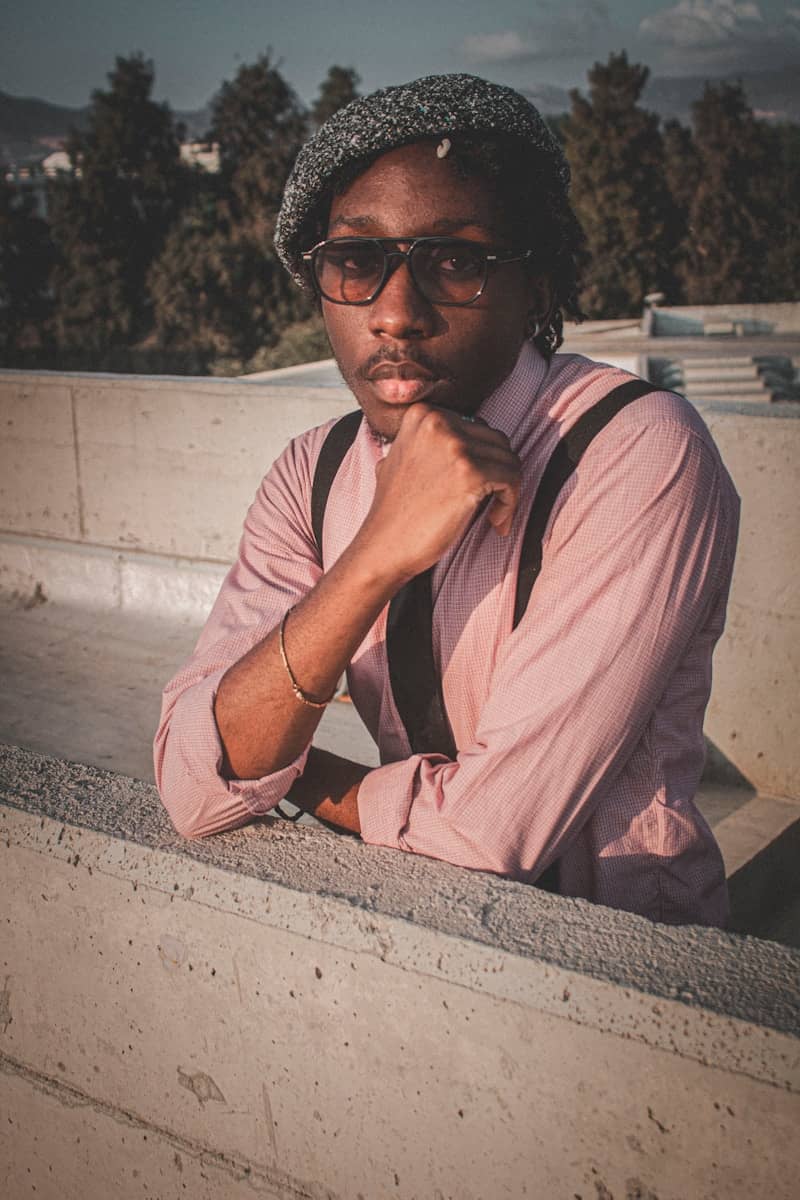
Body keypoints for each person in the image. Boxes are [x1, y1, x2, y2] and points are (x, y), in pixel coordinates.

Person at [155, 74, 739, 926]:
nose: (395, 313)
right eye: (355, 261)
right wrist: (375, 555)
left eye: (453, 260)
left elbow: (488, 837)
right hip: (422, 941)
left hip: (625, 976)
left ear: (536, 284)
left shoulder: (633, 450)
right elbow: (191, 792)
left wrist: (298, 774)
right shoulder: (310, 474)